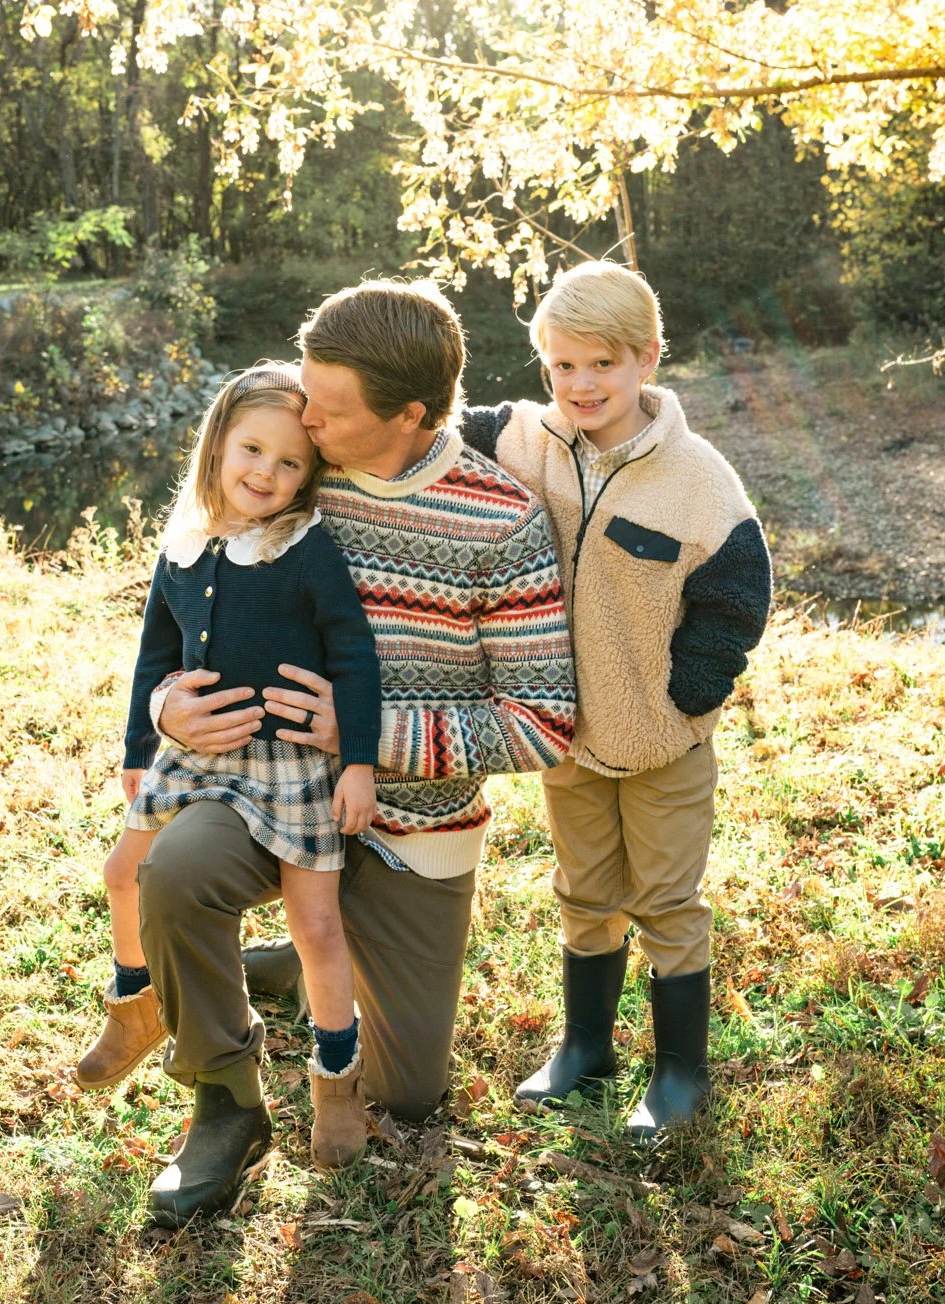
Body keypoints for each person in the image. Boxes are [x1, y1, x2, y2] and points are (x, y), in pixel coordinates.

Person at [141, 279, 577, 1225]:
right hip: (269, 791)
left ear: (410, 414)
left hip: (415, 827)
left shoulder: (499, 520)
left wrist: (366, 732)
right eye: (304, 393)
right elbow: (185, 599)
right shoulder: (297, 471)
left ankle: (305, 959)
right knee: (171, 872)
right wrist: (168, 703)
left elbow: (544, 722)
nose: (303, 421)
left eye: (328, 411)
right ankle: (224, 1099)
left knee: (407, 1093)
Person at [456, 261, 771, 1139]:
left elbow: (738, 595)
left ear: (647, 359)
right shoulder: (523, 439)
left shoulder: (698, 479)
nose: (581, 384)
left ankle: (679, 1071)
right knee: (584, 888)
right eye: (562, 366)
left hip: (662, 737)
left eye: (601, 364)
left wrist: (687, 696)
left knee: (667, 899)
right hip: (565, 731)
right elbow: (426, 422)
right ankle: (586, 1044)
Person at [74, 363, 382, 1169]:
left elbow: (354, 654)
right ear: (217, 444)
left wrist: (357, 760)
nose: (266, 473)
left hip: (288, 765)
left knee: (314, 925)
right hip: (196, 757)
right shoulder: (184, 544)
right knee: (123, 871)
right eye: (251, 449)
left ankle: (336, 1077)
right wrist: (140, 749)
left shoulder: (305, 548)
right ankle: (136, 1004)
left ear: (309, 476)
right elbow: (155, 656)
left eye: (290, 464)